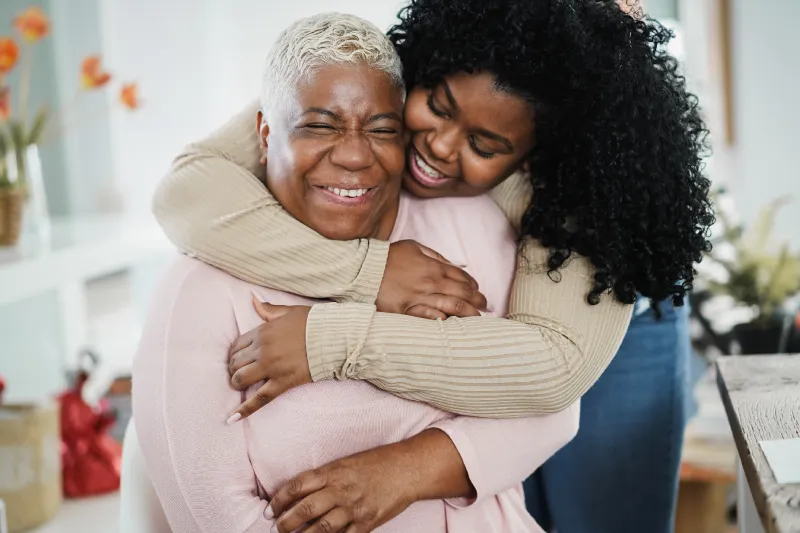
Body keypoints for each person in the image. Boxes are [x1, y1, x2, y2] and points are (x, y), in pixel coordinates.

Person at [152, 1, 714, 531]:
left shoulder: (587, 181)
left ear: (536, 156)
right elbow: (186, 189)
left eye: (484, 144)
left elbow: (551, 373)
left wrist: (332, 341)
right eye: (438, 107)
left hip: (601, 307)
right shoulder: (410, 64)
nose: (440, 147)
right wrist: (369, 272)